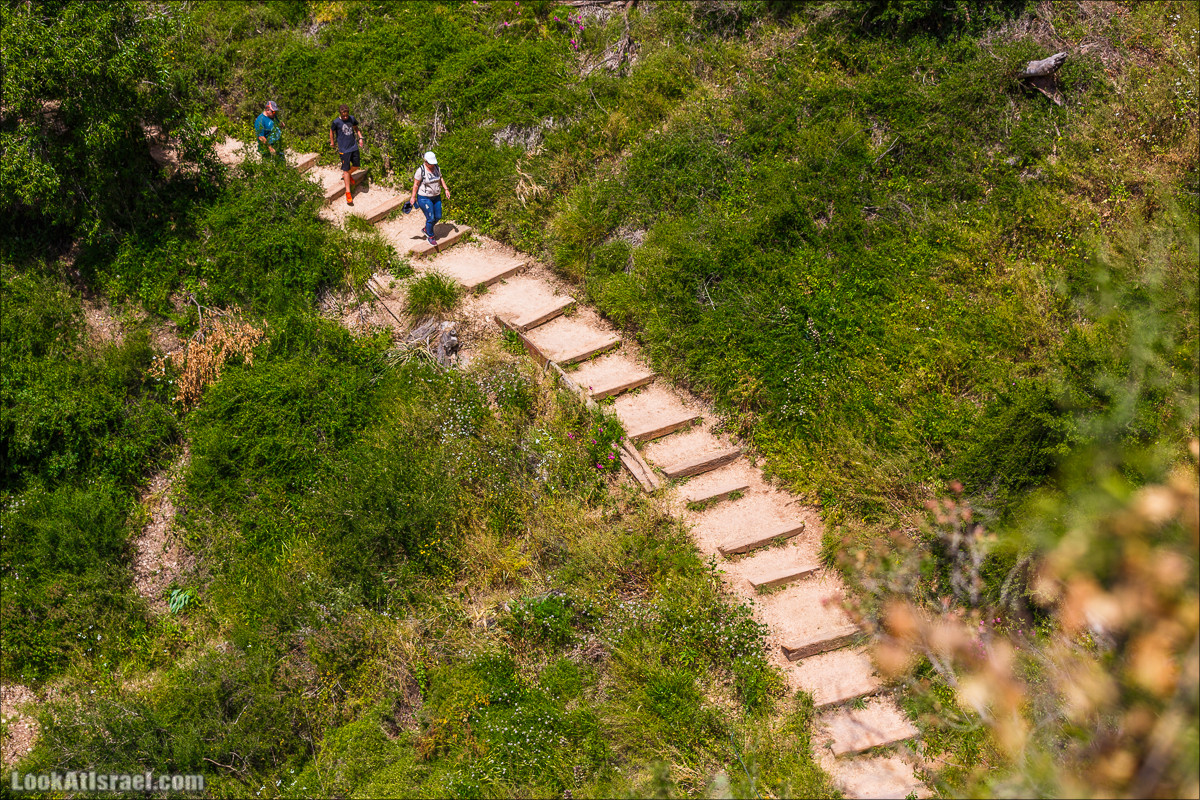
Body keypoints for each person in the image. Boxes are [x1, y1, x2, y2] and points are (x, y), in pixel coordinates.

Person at [410, 151, 450, 247]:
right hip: (424, 197)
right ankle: (430, 236)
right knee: (430, 218)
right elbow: (416, 184)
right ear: (426, 161)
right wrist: (413, 197)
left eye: (433, 163)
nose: (432, 165)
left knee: (438, 216)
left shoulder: (437, 168)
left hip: (436, 196)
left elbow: (441, 179)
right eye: (430, 163)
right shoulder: (421, 170)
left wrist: (446, 189)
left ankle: (426, 229)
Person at [329, 104, 364, 205]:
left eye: (346, 115)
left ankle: (347, 174)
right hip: (344, 149)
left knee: (356, 165)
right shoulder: (336, 122)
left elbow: (356, 128)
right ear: (340, 114)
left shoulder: (351, 118)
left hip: (353, 146)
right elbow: (332, 131)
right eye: (343, 116)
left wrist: (360, 137)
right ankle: (348, 193)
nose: (345, 117)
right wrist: (332, 142)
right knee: (345, 170)